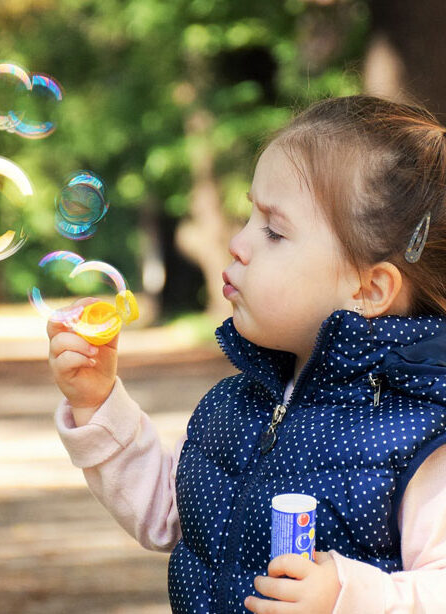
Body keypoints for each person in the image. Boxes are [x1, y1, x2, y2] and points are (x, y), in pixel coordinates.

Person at [47, 95, 446, 614]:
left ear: (370, 289)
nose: (238, 243)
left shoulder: (420, 436)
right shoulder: (237, 404)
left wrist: (346, 596)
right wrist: (98, 401)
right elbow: (170, 514)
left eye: (274, 231)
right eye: (249, 216)